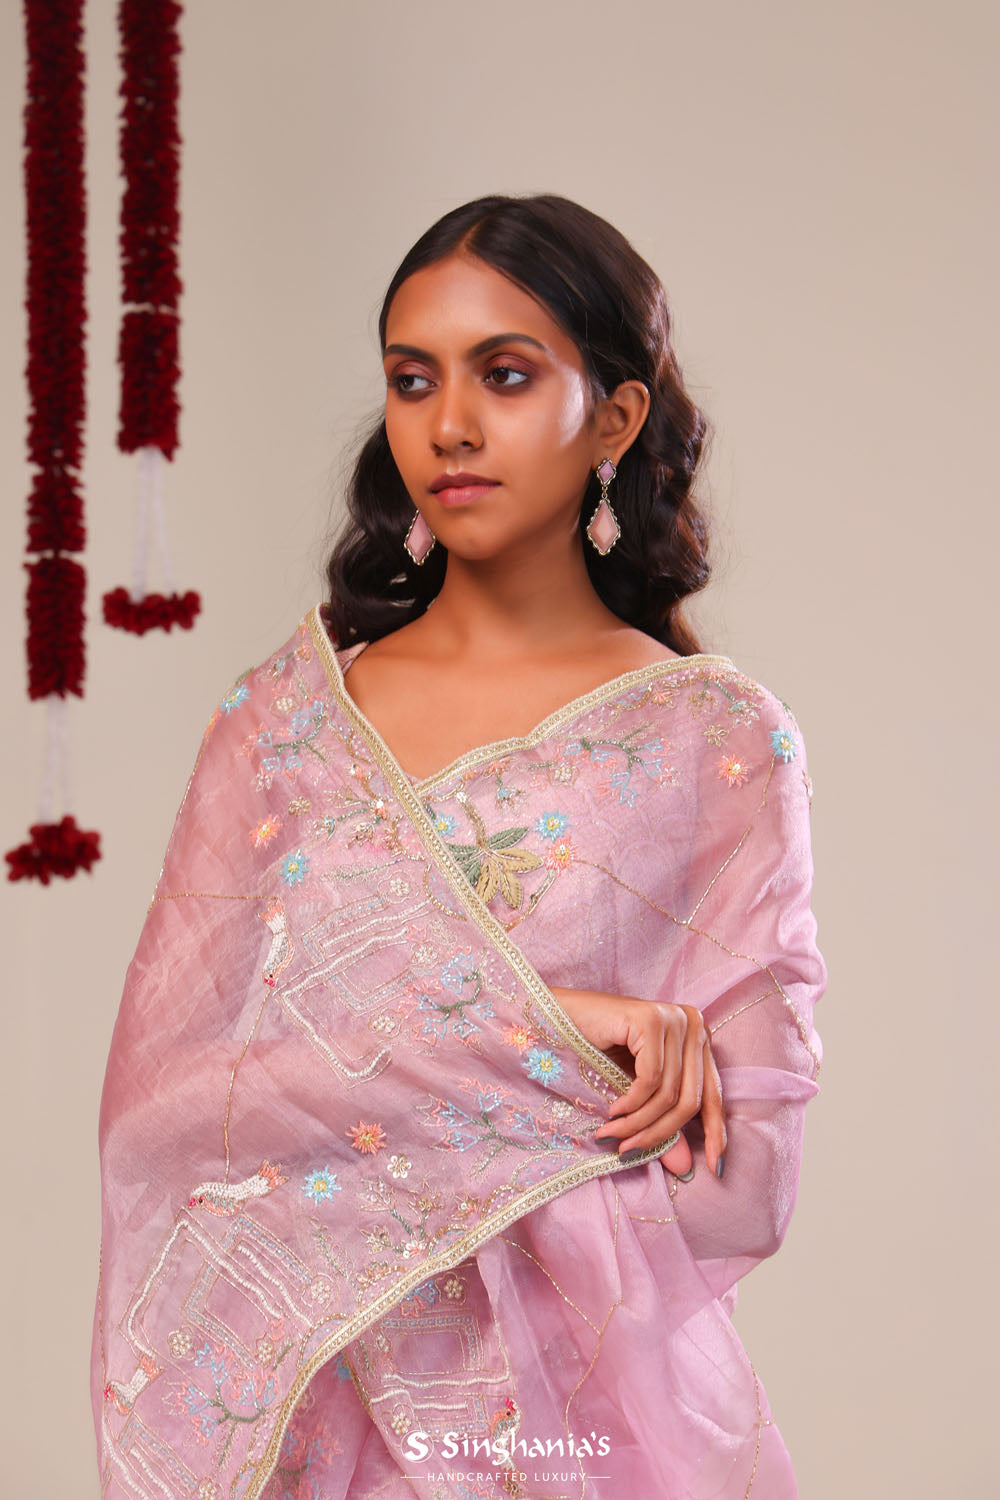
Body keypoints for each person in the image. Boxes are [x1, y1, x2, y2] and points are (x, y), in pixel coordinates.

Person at [92, 194, 827, 1500]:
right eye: (413, 379)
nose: (450, 426)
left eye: (507, 374)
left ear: (616, 418)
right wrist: (557, 1033)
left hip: (563, 1450)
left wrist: (389, 1094)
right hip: (304, 1434)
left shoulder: (710, 743)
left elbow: (742, 1187)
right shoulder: (286, 726)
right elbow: (171, 1113)